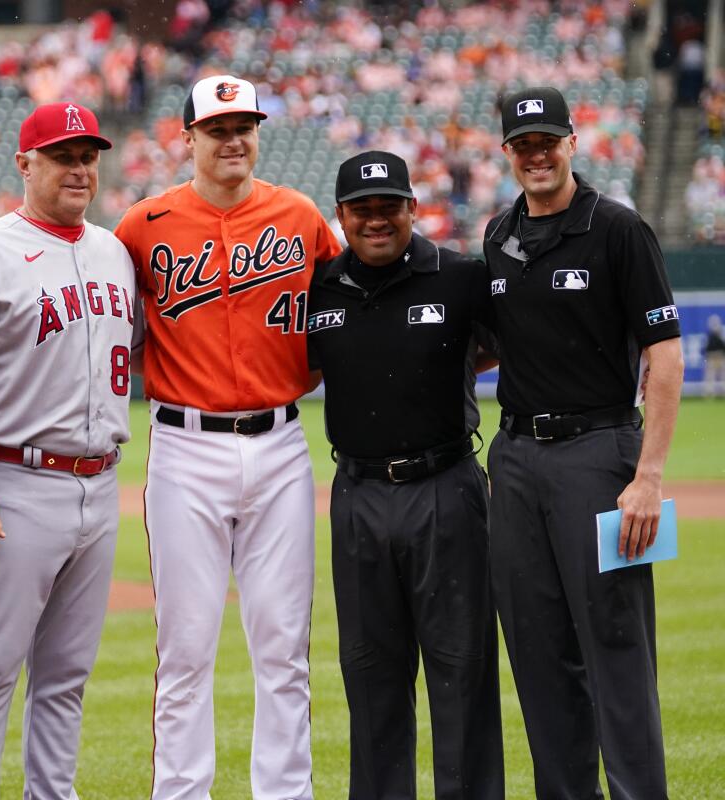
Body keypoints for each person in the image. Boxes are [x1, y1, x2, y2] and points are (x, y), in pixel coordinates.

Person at [114, 74, 342, 799]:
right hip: (184, 447)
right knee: (184, 650)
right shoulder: (143, 226)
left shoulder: (301, 216)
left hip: (280, 444)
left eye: (244, 125)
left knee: (284, 649)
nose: (233, 138)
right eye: (217, 128)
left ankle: (286, 793)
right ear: (188, 138)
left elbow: (352, 306)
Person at [0, 101, 136, 798]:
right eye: (62, 156)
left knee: (66, 675)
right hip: (15, 480)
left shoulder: (113, 251)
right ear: (25, 164)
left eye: (87, 156)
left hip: (100, 482)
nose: (79, 169)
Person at [485, 86, 683, 799]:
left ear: (572, 143)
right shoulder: (497, 236)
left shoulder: (619, 230)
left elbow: (665, 353)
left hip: (598, 455)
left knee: (617, 648)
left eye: (548, 142)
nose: (536, 155)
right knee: (538, 653)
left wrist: (649, 476)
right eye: (522, 144)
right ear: (508, 153)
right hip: (514, 461)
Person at [306, 151, 503, 799]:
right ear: (340, 217)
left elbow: (514, 350)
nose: (376, 220)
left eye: (389, 206)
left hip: (445, 486)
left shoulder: (459, 277)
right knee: (370, 674)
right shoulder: (323, 289)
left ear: (412, 209)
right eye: (361, 210)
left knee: (461, 670)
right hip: (358, 493)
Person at [703, 313, 725, 397]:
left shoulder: (721, 335)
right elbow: (707, 348)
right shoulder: (710, 336)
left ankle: (722, 391)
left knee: (722, 375)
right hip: (712, 356)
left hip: (720, 356)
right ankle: (709, 393)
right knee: (710, 376)